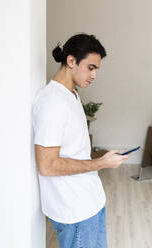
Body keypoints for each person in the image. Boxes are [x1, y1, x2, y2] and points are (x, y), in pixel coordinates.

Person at [32, 34, 129, 248]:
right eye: (91, 67)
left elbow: (74, 152)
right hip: (74, 212)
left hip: (90, 203)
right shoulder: (52, 103)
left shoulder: (72, 95)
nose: (94, 75)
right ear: (71, 61)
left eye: (96, 70)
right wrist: (101, 163)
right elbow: (47, 165)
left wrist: (101, 159)